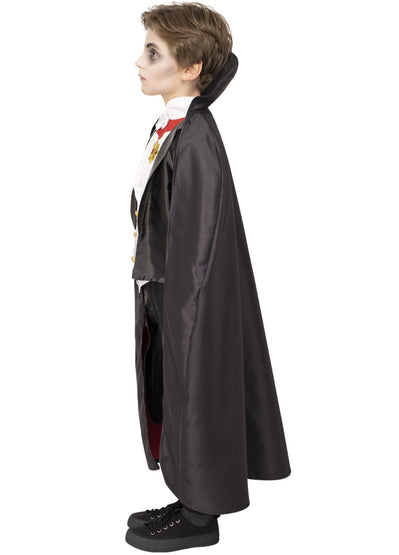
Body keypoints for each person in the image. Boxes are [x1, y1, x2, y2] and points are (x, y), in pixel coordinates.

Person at [125, 2, 291, 552]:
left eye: (153, 53)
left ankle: (201, 515)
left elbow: (200, 238)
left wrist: (185, 312)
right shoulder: (173, 125)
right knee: (175, 394)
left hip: (186, 295)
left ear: (191, 66)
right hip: (164, 287)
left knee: (196, 392)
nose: (139, 62)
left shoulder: (195, 135)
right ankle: (186, 495)